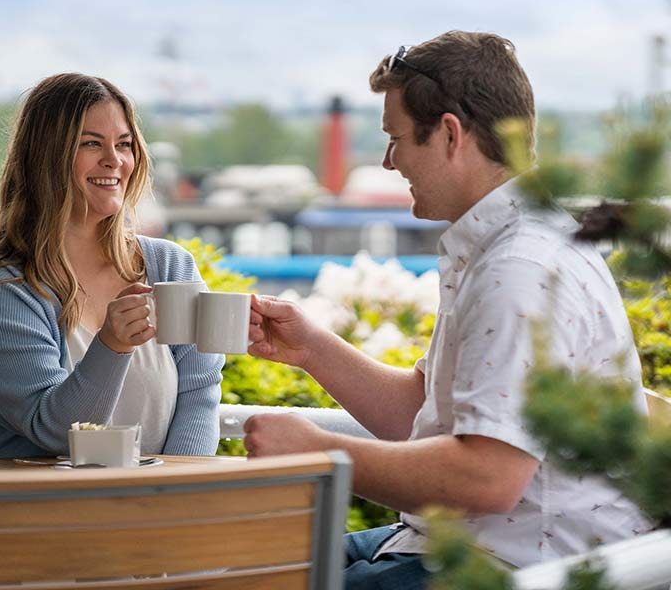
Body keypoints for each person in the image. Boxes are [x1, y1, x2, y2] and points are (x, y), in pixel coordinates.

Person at [244, 31, 652, 589]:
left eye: (397, 139)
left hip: (516, 567)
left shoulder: (519, 269)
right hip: (450, 543)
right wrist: (311, 348)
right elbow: (428, 415)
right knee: (239, 565)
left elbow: (488, 478)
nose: (389, 162)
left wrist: (320, 453)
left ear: (450, 134)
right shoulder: (505, 246)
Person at [0, 73, 224, 589]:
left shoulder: (169, 267)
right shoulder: (0, 286)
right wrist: (111, 347)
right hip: (21, 535)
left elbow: (199, 394)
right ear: (46, 156)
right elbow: (54, 431)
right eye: (92, 144)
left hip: (150, 531)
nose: (115, 160)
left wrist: (170, 511)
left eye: (125, 144)